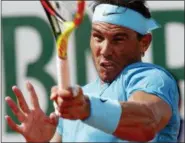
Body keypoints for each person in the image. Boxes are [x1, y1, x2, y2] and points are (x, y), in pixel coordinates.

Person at [5, 0, 180, 142]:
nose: (104, 50)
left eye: (118, 39)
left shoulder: (152, 79)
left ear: (144, 42)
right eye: (98, 37)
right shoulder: (80, 99)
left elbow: (147, 123)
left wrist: (87, 109)